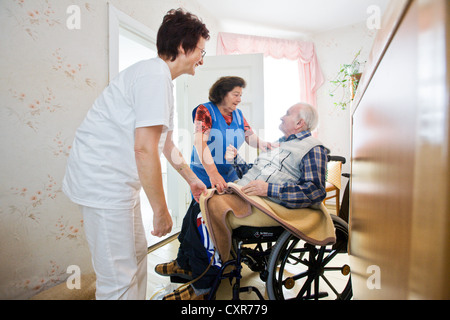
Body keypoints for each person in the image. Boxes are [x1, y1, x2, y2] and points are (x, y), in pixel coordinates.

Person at [62, 8, 210, 300]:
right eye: (200, 51)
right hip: (102, 183)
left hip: (116, 184)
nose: (202, 59)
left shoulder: (160, 80)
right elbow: (143, 149)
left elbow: (166, 145)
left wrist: (192, 180)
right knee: (118, 277)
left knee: (136, 257)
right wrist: (161, 211)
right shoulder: (153, 77)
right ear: (182, 47)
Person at [158, 102, 329, 300]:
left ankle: (203, 288)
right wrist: (236, 159)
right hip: (248, 194)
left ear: (299, 123)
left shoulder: (314, 149)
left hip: (269, 205)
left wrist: (269, 189)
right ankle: (185, 263)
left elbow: (316, 191)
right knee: (200, 199)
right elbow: (254, 173)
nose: (282, 117)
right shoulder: (280, 144)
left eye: (287, 114)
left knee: (206, 209)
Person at [155, 76, 272, 299]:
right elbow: (200, 142)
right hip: (204, 174)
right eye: (236, 94)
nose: (240, 98)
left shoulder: (238, 115)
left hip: (226, 176)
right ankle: (188, 266)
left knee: (194, 220)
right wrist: (212, 173)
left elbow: (250, 137)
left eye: (240, 94)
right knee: (198, 221)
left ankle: (185, 264)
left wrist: (267, 145)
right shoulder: (204, 110)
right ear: (222, 93)